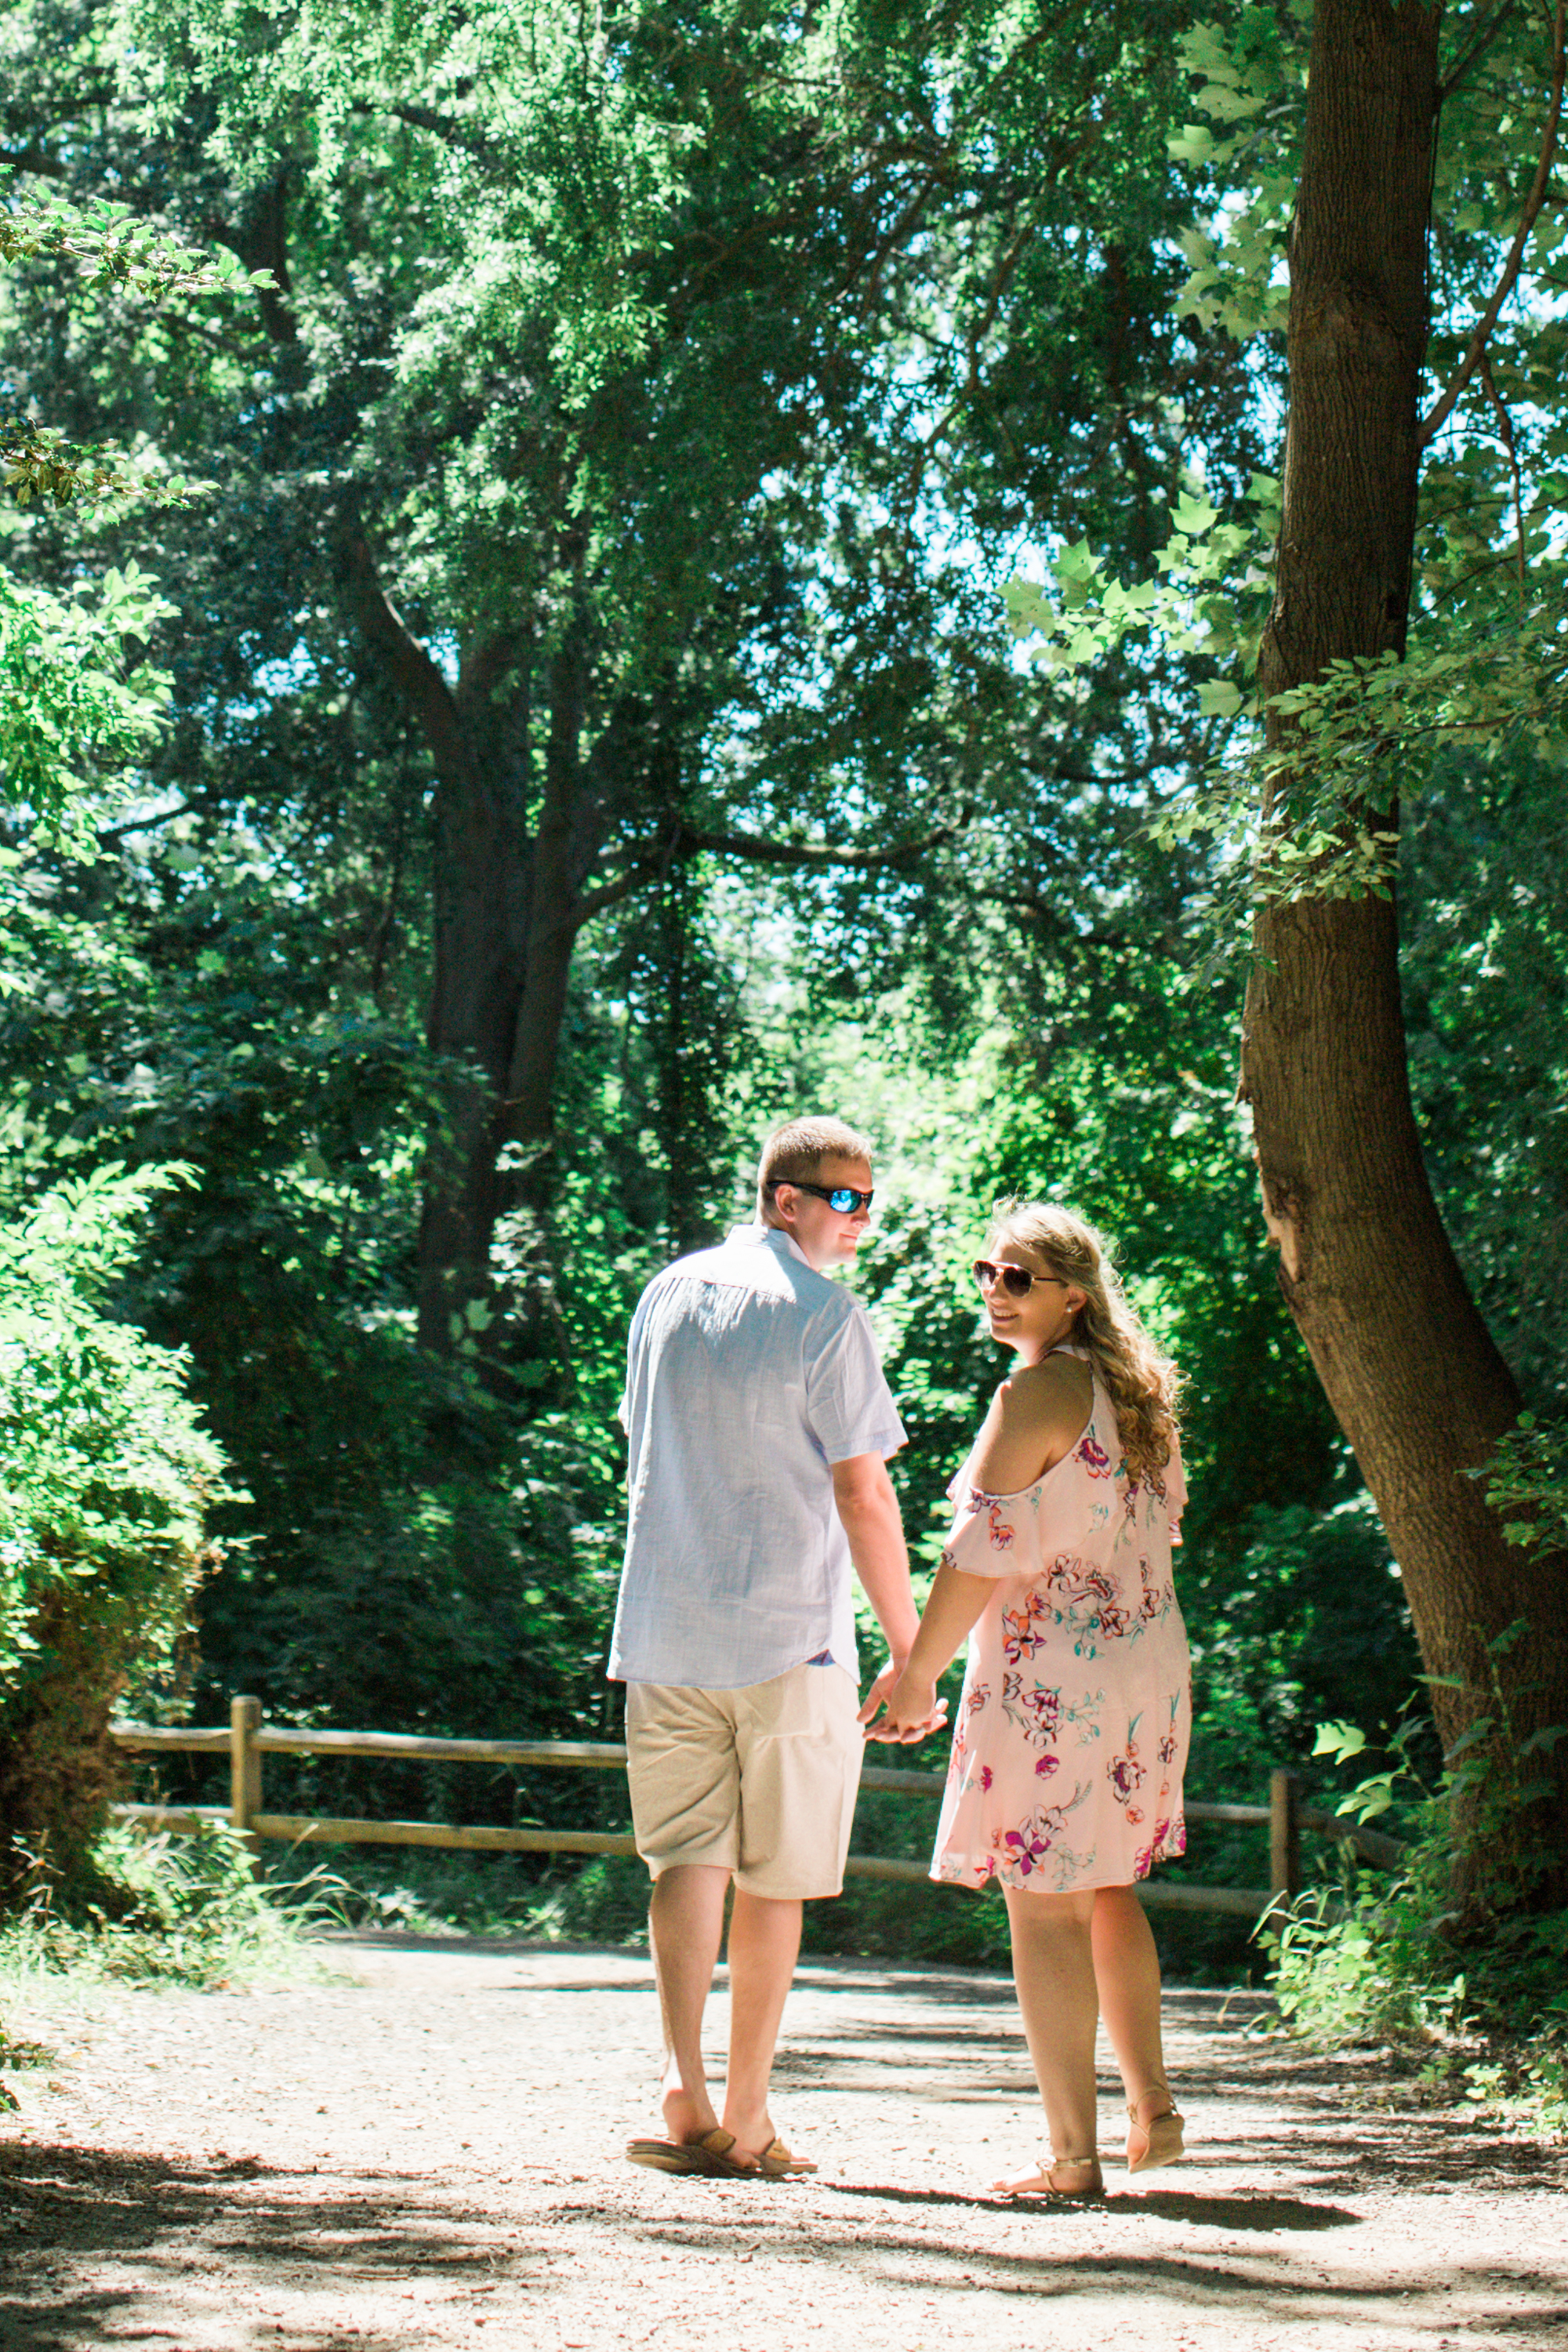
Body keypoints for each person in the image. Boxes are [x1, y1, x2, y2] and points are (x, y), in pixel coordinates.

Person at [611, 1116, 940, 2180]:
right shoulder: (824, 1318)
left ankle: (682, 2089)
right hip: (789, 1636)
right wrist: (911, 1647)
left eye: (866, 1201)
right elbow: (864, 1489)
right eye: (841, 1199)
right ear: (781, 1198)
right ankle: (745, 2117)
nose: (857, 1221)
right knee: (773, 1877)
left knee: (684, 1859)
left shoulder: (666, 1295)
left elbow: (642, 1442)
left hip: (664, 1628)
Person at [864, 1201, 1190, 2201]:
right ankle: (1152, 2107)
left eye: (1017, 1278)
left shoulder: (1034, 1394)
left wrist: (914, 1668)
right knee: (1105, 1888)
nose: (994, 1293)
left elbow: (977, 1554)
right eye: (986, 1272)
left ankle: (1071, 2159)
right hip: (1144, 1664)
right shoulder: (1136, 1397)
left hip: (1057, 1676)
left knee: (1042, 1904)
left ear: (1071, 1295)